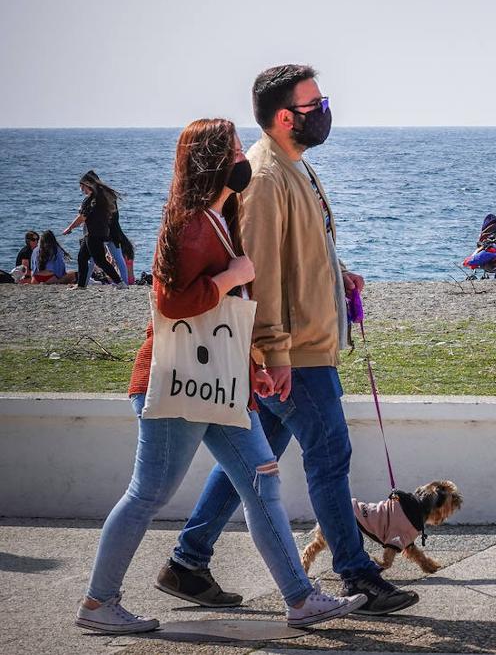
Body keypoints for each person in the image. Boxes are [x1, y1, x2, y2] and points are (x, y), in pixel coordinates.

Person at [74, 118, 366, 635]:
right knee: (147, 494)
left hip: (221, 383)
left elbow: (225, 318)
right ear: (212, 160)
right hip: (176, 386)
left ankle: (300, 599)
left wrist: (253, 370)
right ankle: (99, 604)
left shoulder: (218, 219)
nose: (242, 158)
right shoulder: (189, 223)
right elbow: (172, 303)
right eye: (233, 149)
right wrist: (233, 275)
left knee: (262, 485)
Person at [160, 65, 417, 616]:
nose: (325, 110)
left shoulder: (296, 169)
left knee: (257, 460)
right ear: (284, 116)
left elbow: (299, 252)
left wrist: (337, 271)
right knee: (329, 452)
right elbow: (260, 274)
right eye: (314, 103)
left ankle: (187, 560)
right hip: (292, 353)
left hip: (305, 346)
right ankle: (356, 573)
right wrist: (271, 353)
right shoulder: (266, 176)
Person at [65, 172, 124, 288]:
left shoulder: (92, 200)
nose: (81, 190)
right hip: (96, 233)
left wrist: (70, 228)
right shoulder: (100, 198)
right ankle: (81, 285)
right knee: (82, 257)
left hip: (93, 234)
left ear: (88, 185)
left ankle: (120, 282)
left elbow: (82, 217)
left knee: (100, 260)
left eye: (82, 187)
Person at [83, 170, 135, 284]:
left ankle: (85, 282)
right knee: (117, 256)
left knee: (92, 257)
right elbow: (114, 213)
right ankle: (124, 282)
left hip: (100, 230)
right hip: (113, 228)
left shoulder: (96, 196)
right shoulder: (107, 193)